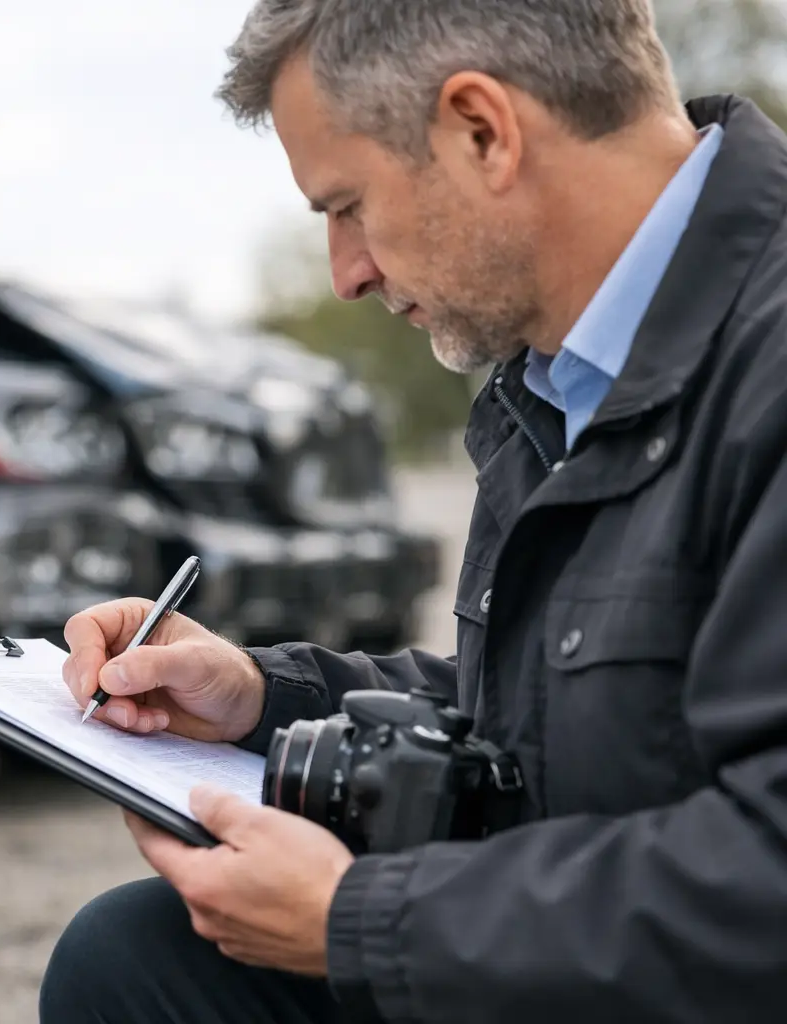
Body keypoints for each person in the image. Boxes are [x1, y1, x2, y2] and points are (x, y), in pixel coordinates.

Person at [39, 1, 787, 1022]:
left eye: (347, 204)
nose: (346, 273)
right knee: (135, 956)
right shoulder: (556, 382)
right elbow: (565, 706)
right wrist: (261, 696)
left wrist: (365, 920)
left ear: (483, 131)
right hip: (574, 953)